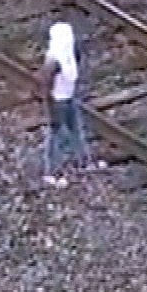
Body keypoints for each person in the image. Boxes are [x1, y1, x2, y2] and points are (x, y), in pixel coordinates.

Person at [37, 21, 96, 187]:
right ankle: (52, 171)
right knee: (57, 136)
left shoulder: (70, 54)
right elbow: (45, 85)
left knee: (76, 130)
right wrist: (50, 109)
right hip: (57, 101)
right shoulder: (53, 61)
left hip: (68, 98)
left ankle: (83, 161)